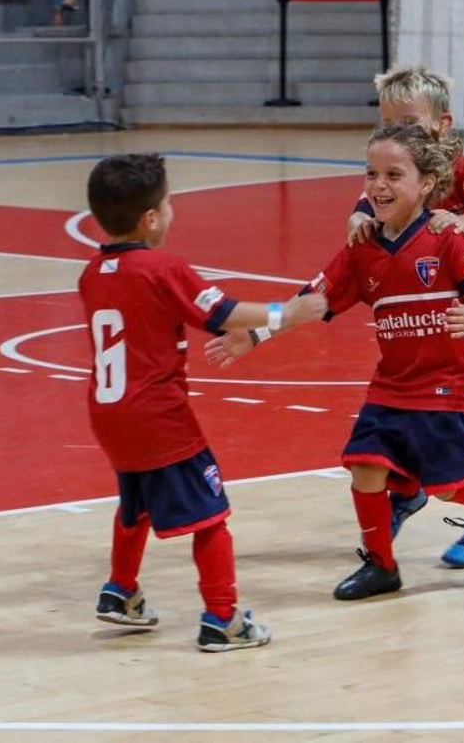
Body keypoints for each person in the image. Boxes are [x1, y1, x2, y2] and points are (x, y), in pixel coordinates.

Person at [207, 123, 464, 601]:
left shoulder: (445, 237)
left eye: (393, 174)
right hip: (392, 387)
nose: (378, 185)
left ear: (425, 183)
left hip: (443, 387)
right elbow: (310, 301)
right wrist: (254, 334)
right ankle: (381, 565)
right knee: (365, 467)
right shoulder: (362, 249)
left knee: (447, 489)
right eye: (370, 174)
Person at [78, 152, 325, 651]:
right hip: (159, 416)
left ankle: (120, 592)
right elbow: (225, 313)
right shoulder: (161, 267)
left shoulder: (91, 274)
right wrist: (288, 311)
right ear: (150, 219)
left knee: (135, 503)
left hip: (109, 412)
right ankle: (222, 619)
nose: (171, 213)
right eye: (168, 205)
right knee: (210, 514)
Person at [344, 65, 464, 569]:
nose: (399, 134)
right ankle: (406, 489)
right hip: (416, 321)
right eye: (389, 123)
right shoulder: (389, 174)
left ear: (442, 123)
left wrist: (455, 223)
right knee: (408, 408)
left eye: (410, 122)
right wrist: (356, 218)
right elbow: (363, 209)